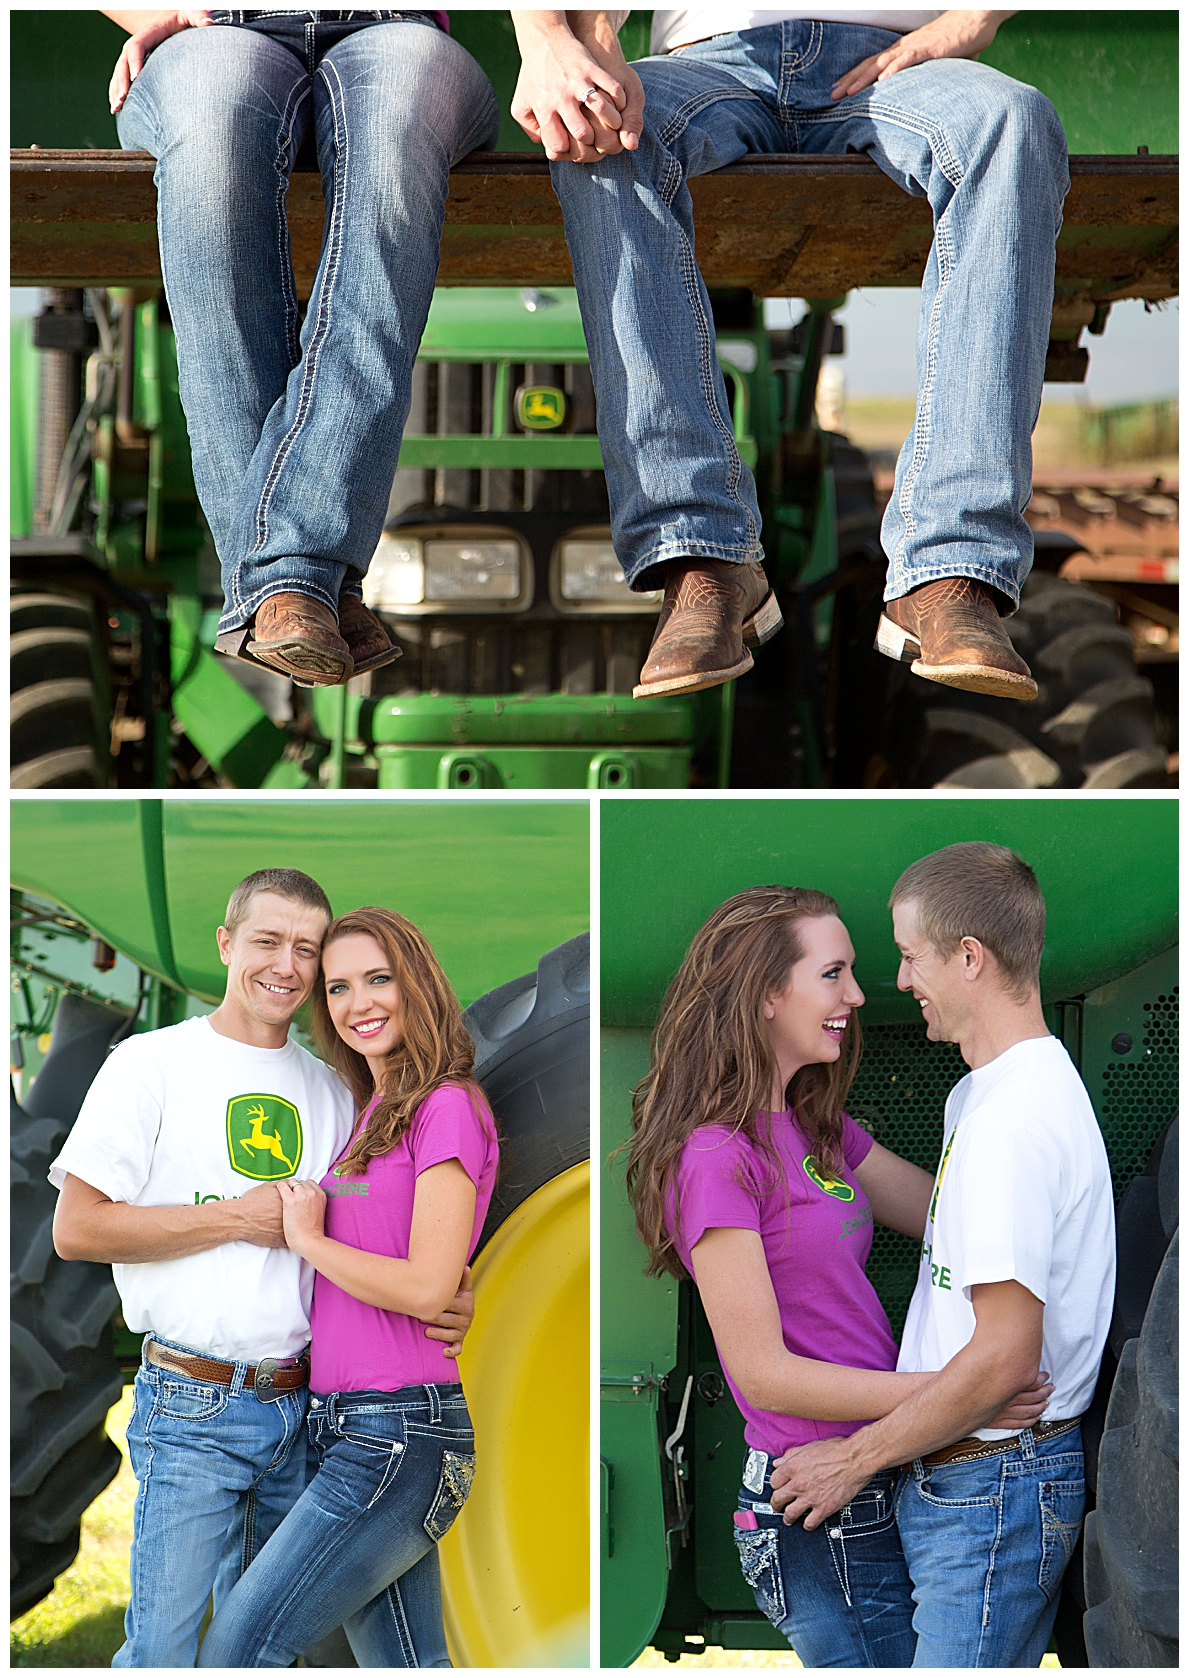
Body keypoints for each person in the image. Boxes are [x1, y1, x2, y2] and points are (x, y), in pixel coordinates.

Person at [510, 11, 1064, 704]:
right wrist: (554, 38)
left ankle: (950, 573)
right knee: (600, 132)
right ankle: (703, 562)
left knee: (1010, 120)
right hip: (705, 64)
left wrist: (972, 16)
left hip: (897, 63)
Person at [50, 870, 473, 1667]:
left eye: (305, 950)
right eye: (266, 941)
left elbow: (382, 1225)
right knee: (167, 1653)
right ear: (226, 944)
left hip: (307, 1412)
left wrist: (453, 1289)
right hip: (193, 1406)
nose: (286, 965)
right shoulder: (150, 1064)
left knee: (269, 1654)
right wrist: (236, 1218)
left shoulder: (338, 1091)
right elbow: (77, 1229)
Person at [622, 884, 1052, 1666]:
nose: (856, 995)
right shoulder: (716, 1159)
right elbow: (765, 1376)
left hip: (874, 1465)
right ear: (763, 995)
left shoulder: (816, 1126)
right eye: (833, 973)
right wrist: (965, 1386)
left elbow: (946, 1213)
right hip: (812, 1502)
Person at [768, 843, 1115, 1667]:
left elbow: (1001, 1360)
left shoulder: (1009, 1124)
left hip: (990, 1489)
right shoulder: (989, 1093)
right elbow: (952, 1225)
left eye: (909, 956)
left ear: (969, 957)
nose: (896, 981)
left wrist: (849, 1461)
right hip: (974, 1479)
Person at [102, 9, 499, 686]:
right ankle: (312, 582)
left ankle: (282, 585)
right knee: (211, 150)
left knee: (395, 147)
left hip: (399, 29)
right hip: (219, 28)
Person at [196, 906, 499, 1667]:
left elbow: (429, 1286)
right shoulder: (371, 1113)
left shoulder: (445, 1106)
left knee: (240, 1648)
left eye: (377, 980)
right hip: (351, 1427)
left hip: (399, 1436)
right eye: (337, 988)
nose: (357, 1003)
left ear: (417, 984)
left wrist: (309, 1238)